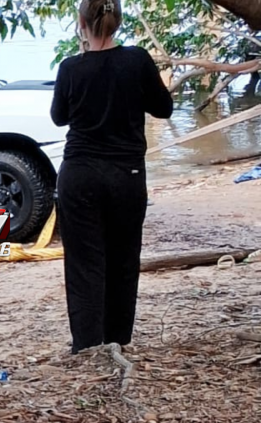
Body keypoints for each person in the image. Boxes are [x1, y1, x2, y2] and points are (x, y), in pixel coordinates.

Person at [50, 0, 173, 354]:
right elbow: (163, 108)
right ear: (117, 21)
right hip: (126, 174)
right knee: (123, 258)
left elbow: (59, 117)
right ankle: (117, 340)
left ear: (81, 22)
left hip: (80, 174)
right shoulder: (137, 60)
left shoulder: (71, 67)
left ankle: (87, 346)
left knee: (84, 262)